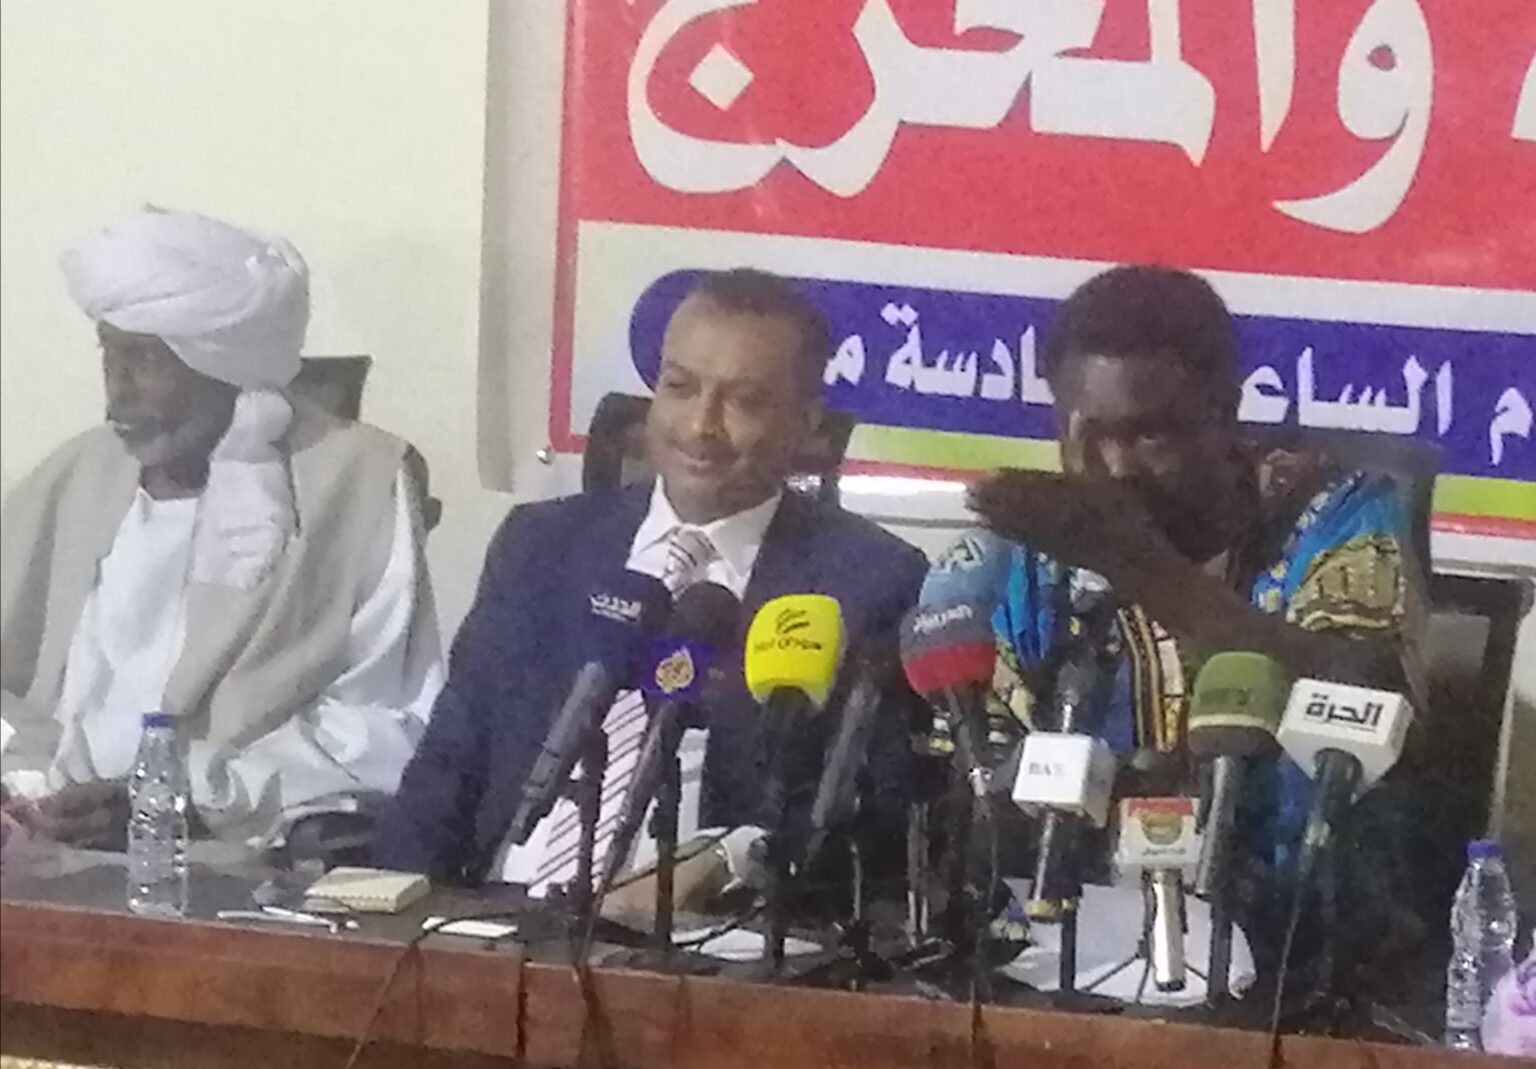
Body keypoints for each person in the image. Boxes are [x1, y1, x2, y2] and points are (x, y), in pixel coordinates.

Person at [374, 268, 928, 889]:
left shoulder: (868, 581)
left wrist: (729, 859)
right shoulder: (541, 545)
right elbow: (449, 763)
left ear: (805, 422)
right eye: (679, 387)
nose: (700, 426)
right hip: (495, 909)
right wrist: (372, 915)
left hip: (694, 926)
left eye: (743, 401)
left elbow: (872, 810)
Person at [966, 265, 1429, 987]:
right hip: (1076, 956)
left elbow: (1365, 690)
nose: (1115, 467)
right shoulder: (1038, 557)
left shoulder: (1334, 508)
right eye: (1088, 433)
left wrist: (1137, 564)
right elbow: (983, 778)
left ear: (1226, 412)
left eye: (1148, 434)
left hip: (1307, 966)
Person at [0, 207, 444, 849]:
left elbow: (388, 722)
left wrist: (185, 798)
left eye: (146, 360)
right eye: (108, 354)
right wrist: (24, 784)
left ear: (225, 366)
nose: (118, 391)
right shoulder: (79, 473)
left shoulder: (355, 480)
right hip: (41, 843)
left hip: (235, 853)